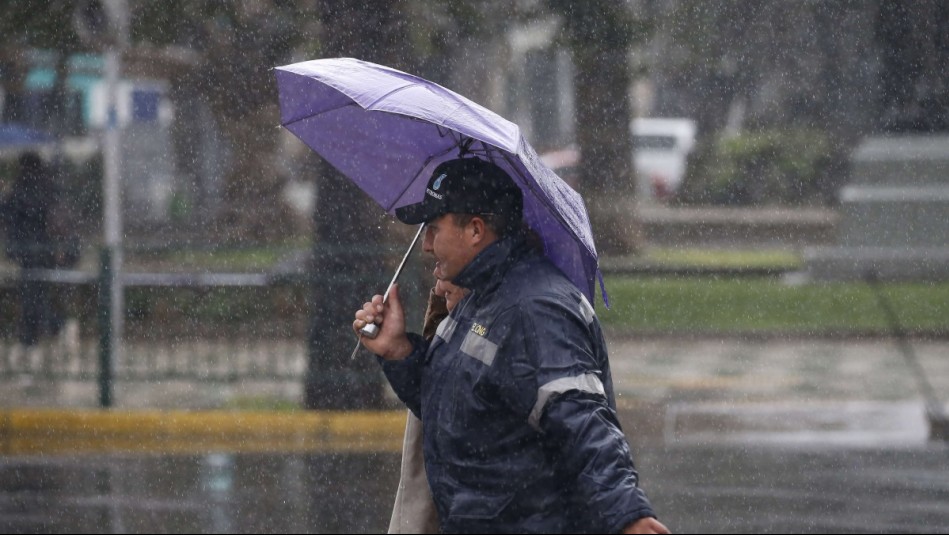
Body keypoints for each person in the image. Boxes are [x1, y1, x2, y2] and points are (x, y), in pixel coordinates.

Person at [354, 158, 669, 534]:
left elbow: (582, 421)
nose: (425, 245)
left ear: (475, 230)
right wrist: (399, 351)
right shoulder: (478, 298)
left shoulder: (536, 311)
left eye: (434, 228)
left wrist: (627, 516)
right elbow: (458, 403)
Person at [388, 278, 468, 534]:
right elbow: (440, 407)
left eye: (436, 234)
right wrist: (398, 351)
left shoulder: (499, 325)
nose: (426, 245)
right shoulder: (454, 321)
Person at [1, 152, 62, 348]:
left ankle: (36, 334)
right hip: (43, 249)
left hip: (28, 250)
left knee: (31, 294)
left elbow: (11, 212)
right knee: (38, 292)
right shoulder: (47, 186)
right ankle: (50, 328)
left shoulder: (21, 188)